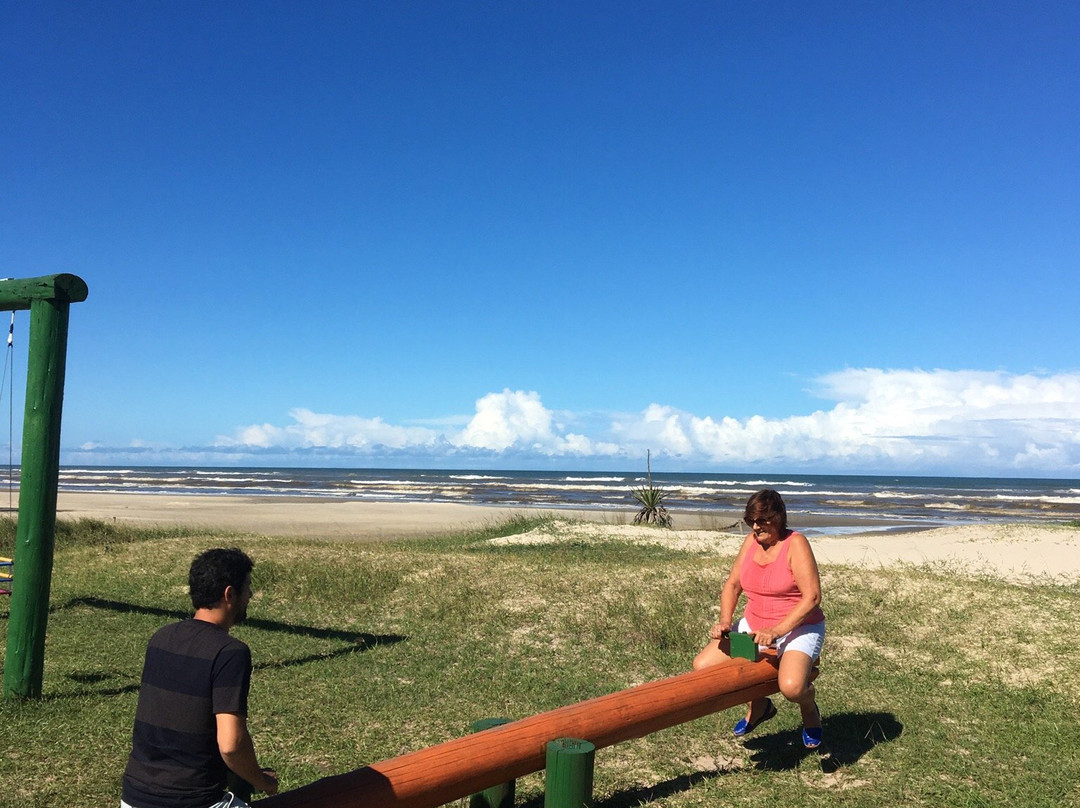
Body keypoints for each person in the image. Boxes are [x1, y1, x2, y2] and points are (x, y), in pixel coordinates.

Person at [121, 548, 279, 808]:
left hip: (134, 797)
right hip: (190, 801)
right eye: (248, 588)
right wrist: (262, 781)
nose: (250, 596)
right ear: (230, 594)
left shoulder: (161, 637)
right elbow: (230, 745)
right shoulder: (230, 653)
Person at [693, 489, 826, 748]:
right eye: (751, 520)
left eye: (762, 520)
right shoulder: (750, 543)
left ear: (778, 517)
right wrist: (724, 620)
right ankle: (760, 705)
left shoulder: (795, 543)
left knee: (792, 688)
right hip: (754, 625)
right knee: (704, 666)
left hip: (797, 627)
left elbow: (811, 597)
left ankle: (810, 711)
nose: (756, 526)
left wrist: (777, 631)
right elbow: (732, 585)